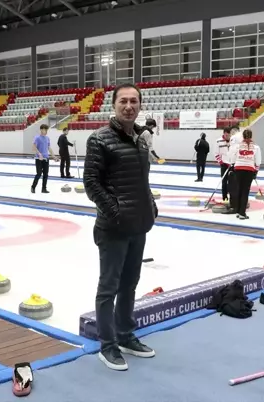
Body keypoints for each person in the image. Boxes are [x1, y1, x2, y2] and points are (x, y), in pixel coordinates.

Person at [83, 83, 158, 371]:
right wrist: (116, 212)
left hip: (139, 225)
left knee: (130, 284)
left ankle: (126, 335)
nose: (129, 106)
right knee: (109, 287)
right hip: (113, 228)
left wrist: (149, 204)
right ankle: (108, 344)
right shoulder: (99, 139)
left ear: (140, 105)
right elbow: (91, 184)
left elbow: (142, 179)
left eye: (134, 101)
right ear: (113, 105)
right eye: (123, 101)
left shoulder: (142, 138)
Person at [229, 129, 261, 220]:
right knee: (245, 191)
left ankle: (239, 211)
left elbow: (233, 158)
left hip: (238, 169)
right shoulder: (256, 147)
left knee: (239, 189)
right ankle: (242, 213)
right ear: (251, 136)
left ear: (243, 136)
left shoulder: (237, 146)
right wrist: (256, 172)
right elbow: (258, 161)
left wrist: (232, 166)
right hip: (249, 170)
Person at [31, 124, 58, 194]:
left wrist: (54, 156)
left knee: (46, 174)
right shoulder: (37, 138)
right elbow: (33, 147)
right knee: (39, 173)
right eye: (45, 130)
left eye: (46, 130)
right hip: (39, 159)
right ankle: (33, 187)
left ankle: (44, 188)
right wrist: (39, 154)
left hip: (46, 158)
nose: (46, 131)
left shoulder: (47, 138)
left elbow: (49, 148)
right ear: (41, 130)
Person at [215, 128, 232, 201]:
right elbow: (216, 153)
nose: (227, 136)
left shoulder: (233, 141)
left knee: (232, 182)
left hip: (232, 164)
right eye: (226, 135)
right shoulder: (218, 141)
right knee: (224, 181)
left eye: (229, 135)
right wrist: (221, 162)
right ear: (224, 133)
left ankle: (232, 197)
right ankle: (224, 197)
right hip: (224, 164)